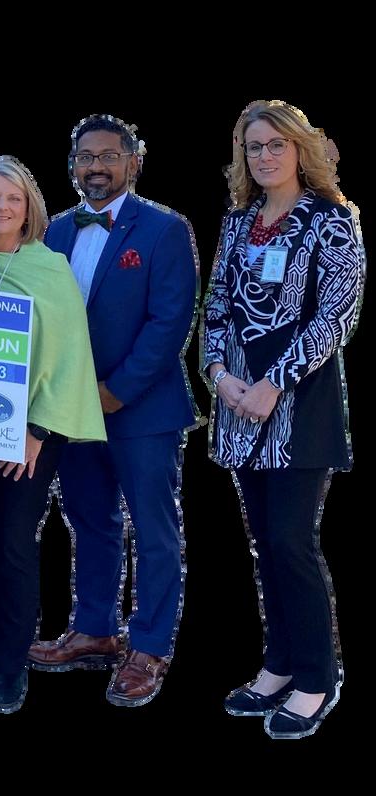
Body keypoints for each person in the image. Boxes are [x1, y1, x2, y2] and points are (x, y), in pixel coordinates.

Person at [203, 100, 362, 739]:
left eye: (276, 144)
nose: (264, 156)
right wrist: (220, 375)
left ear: (300, 149)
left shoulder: (331, 220)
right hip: (239, 405)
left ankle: (319, 677)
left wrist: (275, 382)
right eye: (254, 146)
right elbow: (216, 305)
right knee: (265, 542)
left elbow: (337, 315)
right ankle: (279, 665)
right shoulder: (239, 222)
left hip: (298, 407)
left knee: (293, 542)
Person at [29, 115, 198, 706]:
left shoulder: (164, 229)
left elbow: (170, 321)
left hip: (141, 411)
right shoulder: (53, 231)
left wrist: (114, 392)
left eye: (108, 156)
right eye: (85, 157)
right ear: (73, 165)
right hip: (71, 412)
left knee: (154, 531)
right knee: (90, 521)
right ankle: (95, 630)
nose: (96, 167)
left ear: (133, 162)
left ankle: (148, 647)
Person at [0, 156, 105, 714]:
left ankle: (12, 664)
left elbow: (68, 357)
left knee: (12, 543)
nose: (1, 207)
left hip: (29, 434)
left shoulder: (49, 268)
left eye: (12, 198)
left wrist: (36, 429)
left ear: (28, 207)